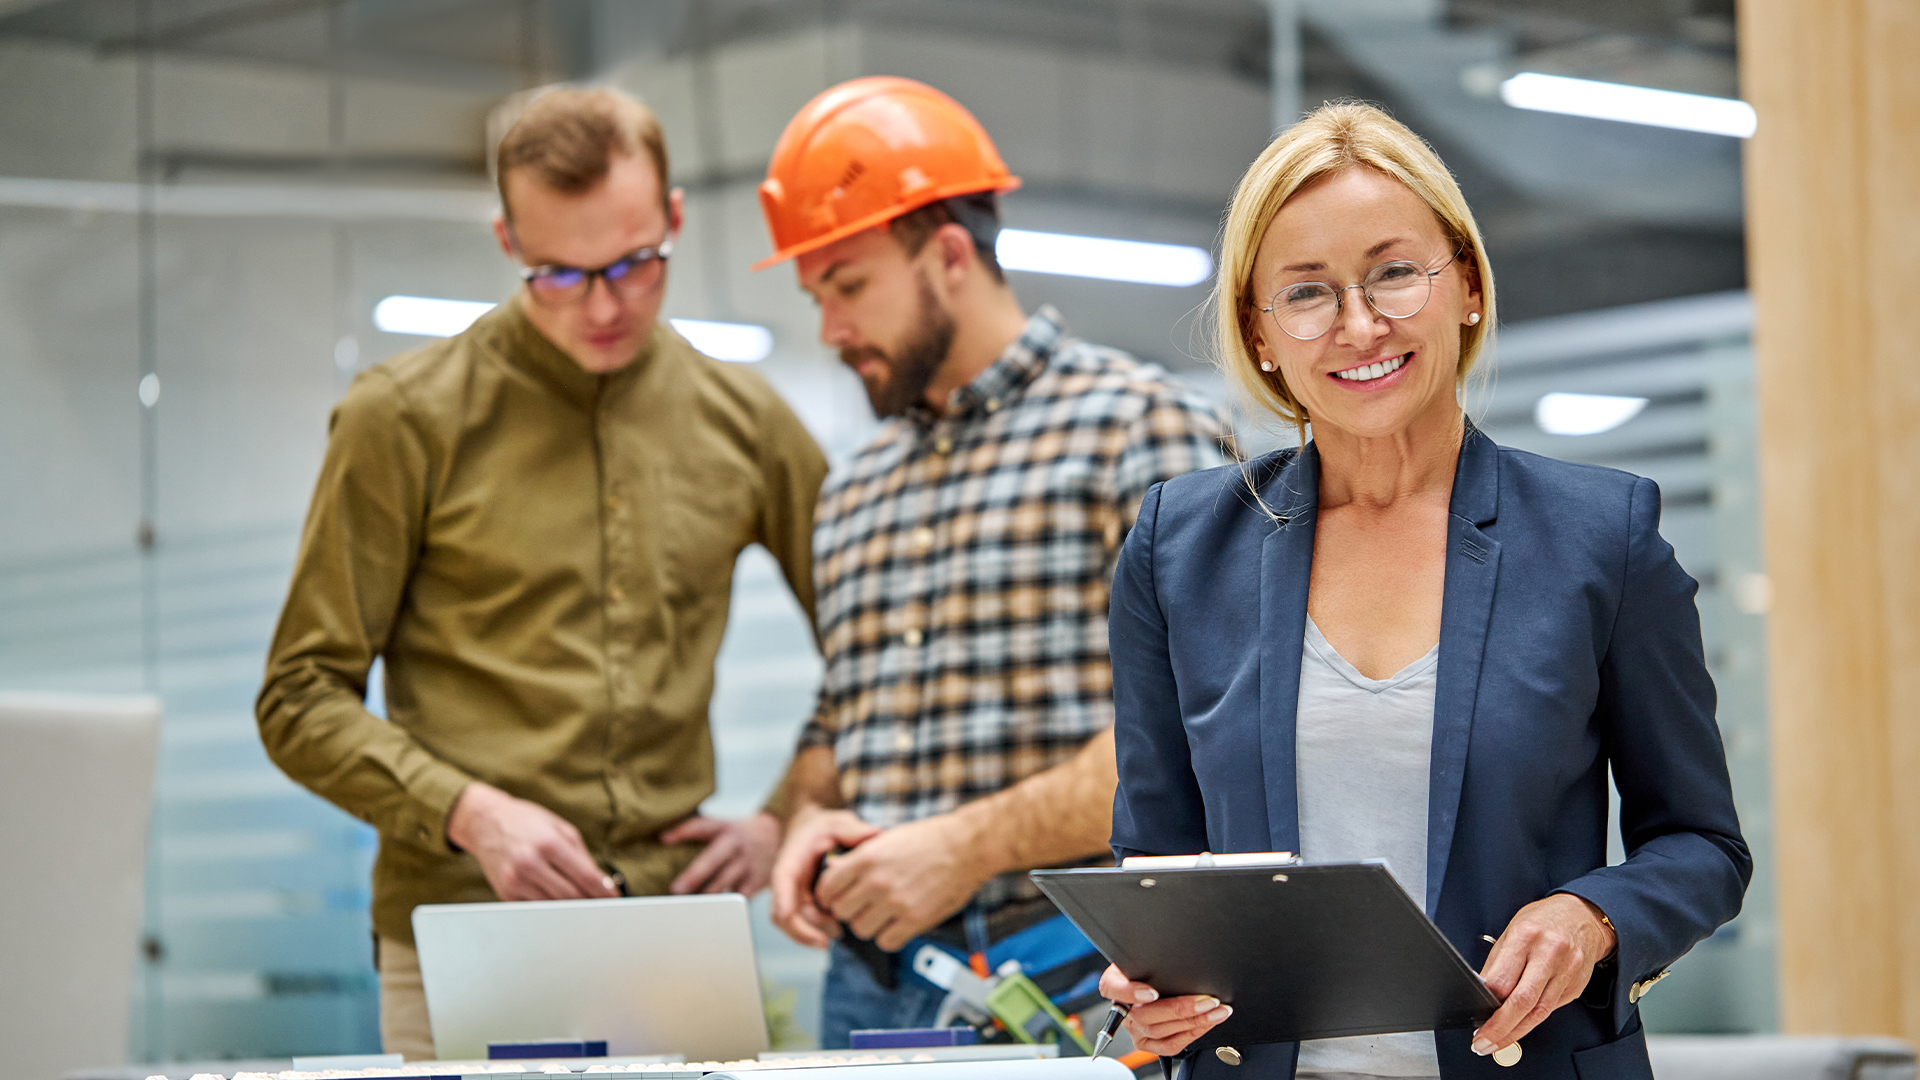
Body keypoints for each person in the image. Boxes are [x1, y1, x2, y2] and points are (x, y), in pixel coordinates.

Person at [1094, 103, 1750, 1079]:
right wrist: (1147, 985)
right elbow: (1156, 867)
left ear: (1468, 287)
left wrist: (1596, 916)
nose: (1360, 325)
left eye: (1395, 273)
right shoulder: (1177, 549)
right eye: (1307, 292)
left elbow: (1701, 845)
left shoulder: (1599, 538)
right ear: (1261, 333)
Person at [256, 86, 827, 1060]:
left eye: (636, 264)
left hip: (673, 933)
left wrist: (782, 817)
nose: (605, 305)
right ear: (508, 241)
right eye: (561, 274)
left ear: (676, 219)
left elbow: (878, 652)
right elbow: (299, 698)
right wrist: (467, 813)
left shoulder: (750, 421)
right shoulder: (402, 418)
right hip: (460, 929)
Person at [749, 77, 1234, 1047]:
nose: (830, 331)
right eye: (816, 298)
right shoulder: (855, 486)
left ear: (951, 255)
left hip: (1066, 968)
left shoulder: (1140, 431)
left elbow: (1202, 743)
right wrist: (806, 825)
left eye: (848, 286)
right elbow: (843, 719)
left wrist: (960, 850)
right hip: (869, 976)